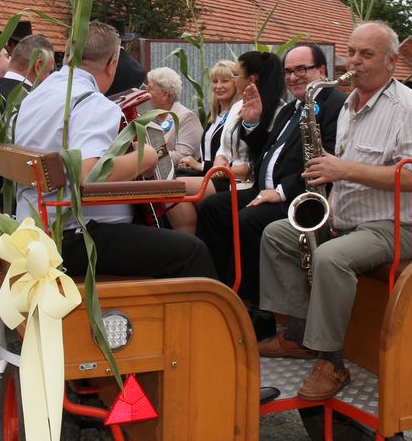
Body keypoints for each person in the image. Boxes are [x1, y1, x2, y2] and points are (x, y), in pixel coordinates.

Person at [257, 21, 412, 401]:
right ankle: (297, 333)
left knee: (330, 257)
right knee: (277, 234)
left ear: (392, 62)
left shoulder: (407, 106)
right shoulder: (349, 106)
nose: (354, 62)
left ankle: (331, 361)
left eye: (366, 55)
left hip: (396, 226)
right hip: (349, 221)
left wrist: (343, 169)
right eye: (351, 52)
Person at [14, 20, 217, 280]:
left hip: (35, 225)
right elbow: (89, 175)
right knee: (192, 251)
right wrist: (147, 156)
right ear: (112, 63)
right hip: (74, 235)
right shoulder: (92, 102)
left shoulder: (36, 96)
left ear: (66, 56)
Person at [195, 44, 346, 306]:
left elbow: (328, 160)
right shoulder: (291, 108)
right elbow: (266, 152)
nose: (293, 77)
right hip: (264, 191)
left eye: (302, 69)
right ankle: (215, 289)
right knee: (212, 209)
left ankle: (249, 307)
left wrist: (279, 192)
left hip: (298, 199)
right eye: (288, 71)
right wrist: (252, 124)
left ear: (322, 70)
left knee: (248, 220)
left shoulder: (336, 106)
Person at [167, 55, 284, 234]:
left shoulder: (278, 112)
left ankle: (191, 243)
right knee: (171, 187)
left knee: (173, 188)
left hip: (240, 180)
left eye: (235, 76)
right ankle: (189, 240)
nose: (232, 81)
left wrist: (221, 170)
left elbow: (263, 161)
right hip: (225, 176)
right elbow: (224, 146)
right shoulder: (237, 107)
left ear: (252, 80)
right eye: (215, 81)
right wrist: (220, 160)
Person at [145, 67, 203, 169]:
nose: (146, 92)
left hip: (177, 179)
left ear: (165, 95)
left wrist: (148, 156)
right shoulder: (150, 117)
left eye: (150, 88)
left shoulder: (186, 117)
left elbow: (183, 156)